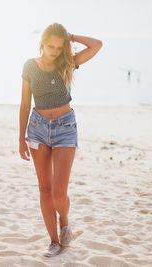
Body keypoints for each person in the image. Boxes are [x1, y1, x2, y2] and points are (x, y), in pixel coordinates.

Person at [19, 23, 102, 257]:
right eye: (50, 46)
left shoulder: (67, 63)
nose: (54, 51)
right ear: (42, 44)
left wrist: (71, 36)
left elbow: (97, 45)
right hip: (37, 129)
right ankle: (54, 241)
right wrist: (20, 138)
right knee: (44, 189)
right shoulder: (29, 66)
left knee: (58, 193)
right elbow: (25, 103)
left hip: (65, 127)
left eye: (59, 46)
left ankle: (64, 221)